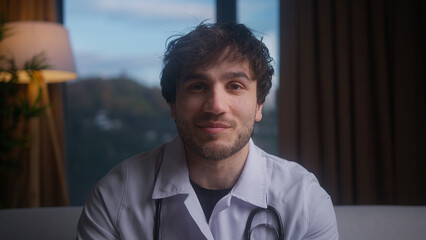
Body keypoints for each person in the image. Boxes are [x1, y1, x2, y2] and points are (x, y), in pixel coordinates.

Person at [76, 22, 338, 240]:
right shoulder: (115, 194)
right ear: (173, 106)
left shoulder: (304, 199)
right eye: (197, 86)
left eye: (235, 86)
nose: (215, 106)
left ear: (259, 105)